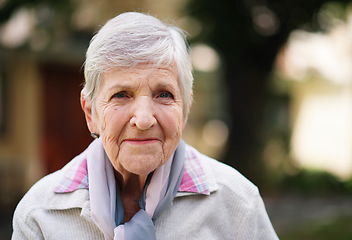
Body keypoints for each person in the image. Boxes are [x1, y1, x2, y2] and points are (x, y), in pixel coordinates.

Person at [12, 12, 278, 240]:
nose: (143, 120)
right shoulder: (40, 214)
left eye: (164, 94)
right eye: (121, 95)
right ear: (90, 111)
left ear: (184, 109)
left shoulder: (237, 203)